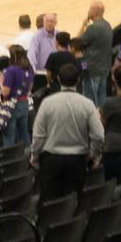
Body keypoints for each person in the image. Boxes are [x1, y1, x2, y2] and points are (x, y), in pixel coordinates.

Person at [27, 63, 103, 198]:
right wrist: (94, 156)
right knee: (71, 204)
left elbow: (38, 135)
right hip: (77, 160)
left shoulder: (47, 103)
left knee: (49, 205)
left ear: (58, 79)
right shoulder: (88, 104)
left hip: (51, 160)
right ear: (78, 80)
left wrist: (35, 156)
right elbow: (98, 135)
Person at [0, 44, 35, 147]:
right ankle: (28, 156)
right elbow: (29, 88)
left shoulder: (10, 70)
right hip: (24, 103)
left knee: (9, 135)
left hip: (12, 106)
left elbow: (6, 92)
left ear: (13, 56)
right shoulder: (29, 69)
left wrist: (1, 84)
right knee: (24, 132)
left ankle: (10, 160)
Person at [77, 2, 115, 108]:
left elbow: (76, 43)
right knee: (102, 101)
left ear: (95, 12)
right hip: (104, 69)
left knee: (90, 104)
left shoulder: (92, 28)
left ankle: (93, 124)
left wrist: (83, 25)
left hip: (91, 71)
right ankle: (102, 123)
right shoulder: (107, 25)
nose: (88, 12)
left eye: (89, 9)